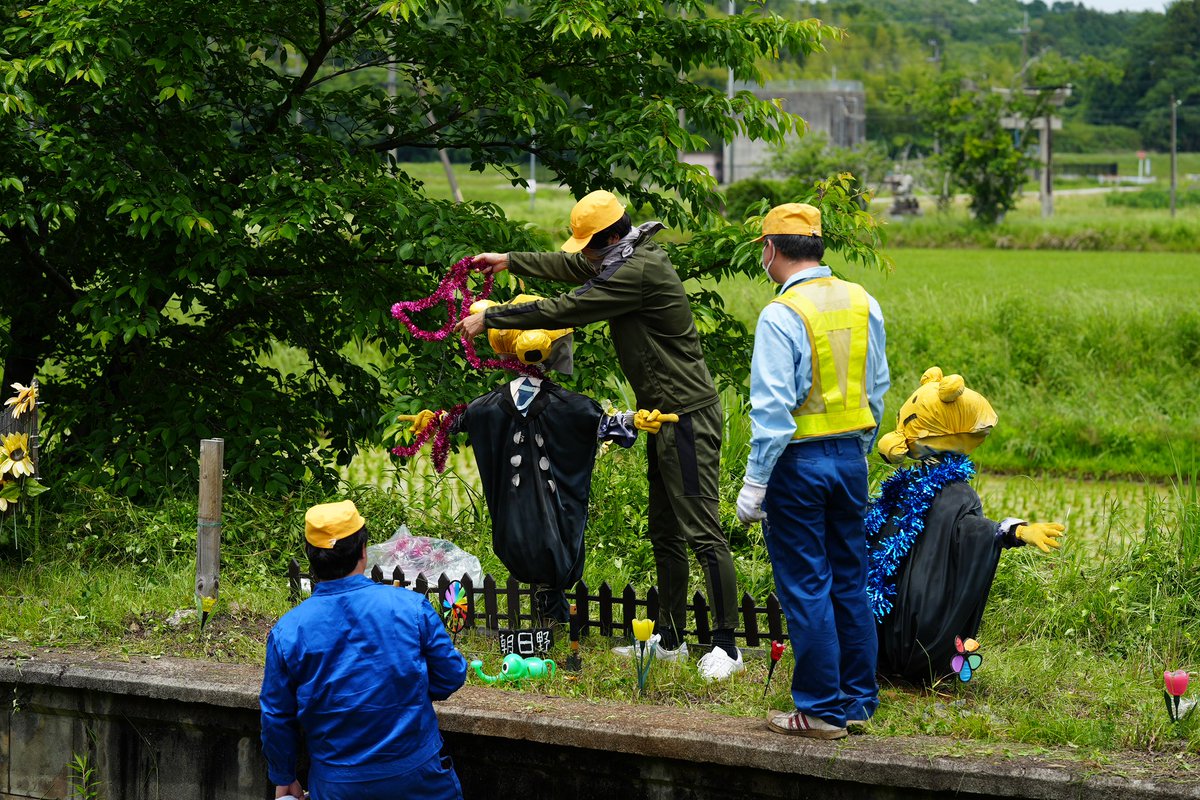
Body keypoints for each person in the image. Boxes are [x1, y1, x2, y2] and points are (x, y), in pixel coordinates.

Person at [455, 189, 743, 681]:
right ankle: (670, 638)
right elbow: (572, 269)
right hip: (663, 416)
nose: (582, 253)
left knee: (701, 531)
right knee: (665, 530)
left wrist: (493, 316)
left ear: (609, 238)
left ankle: (727, 647)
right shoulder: (622, 256)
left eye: (586, 244)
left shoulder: (638, 272)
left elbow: (569, 306)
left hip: (688, 417)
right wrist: (509, 260)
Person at [735, 202, 890, 739]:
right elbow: (878, 389)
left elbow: (773, 412)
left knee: (806, 585)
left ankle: (820, 710)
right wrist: (857, 450)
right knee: (850, 580)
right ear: (819, 247)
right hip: (850, 459)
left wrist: (755, 484)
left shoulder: (782, 314)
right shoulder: (861, 300)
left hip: (798, 464)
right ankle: (856, 702)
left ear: (770, 249)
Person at [260, 500, 467, 799]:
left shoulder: (288, 632)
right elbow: (451, 675)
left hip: (338, 786)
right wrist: (407, 688)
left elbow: (277, 716)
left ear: (311, 558)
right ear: (363, 551)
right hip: (420, 780)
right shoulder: (411, 608)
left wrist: (283, 775)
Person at [870, 366, 1064, 685]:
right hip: (894, 592)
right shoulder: (911, 485)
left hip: (919, 597)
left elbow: (972, 529)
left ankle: (902, 664)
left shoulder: (953, 494)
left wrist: (1015, 531)